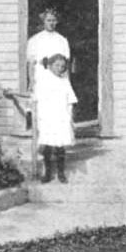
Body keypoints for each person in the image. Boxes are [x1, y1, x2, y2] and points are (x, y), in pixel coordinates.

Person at [33, 53, 77, 183]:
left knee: (60, 146)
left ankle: (61, 173)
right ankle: (47, 173)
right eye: (56, 65)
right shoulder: (43, 80)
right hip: (48, 117)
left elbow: (70, 100)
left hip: (61, 116)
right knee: (48, 146)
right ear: (50, 65)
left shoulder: (64, 81)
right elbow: (37, 99)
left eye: (62, 66)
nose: (59, 68)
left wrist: (70, 116)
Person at [26, 7, 71, 91]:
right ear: (43, 21)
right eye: (48, 20)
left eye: (53, 20)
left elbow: (66, 65)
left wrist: (67, 82)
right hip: (41, 78)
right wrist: (31, 82)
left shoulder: (62, 40)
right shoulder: (35, 40)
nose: (51, 23)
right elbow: (31, 64)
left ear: (57, 22)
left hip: (58, 79)